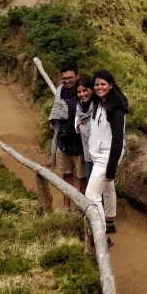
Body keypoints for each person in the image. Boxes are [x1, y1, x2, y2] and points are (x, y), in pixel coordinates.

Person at [85, 69, 127, 238]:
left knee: (92, 194)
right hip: (99, 154)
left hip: (107, 155)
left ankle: (101, 235)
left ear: (111, 85)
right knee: (108, 189)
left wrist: (111, 168)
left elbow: (118, 139)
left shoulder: (116, 109)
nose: (99, 87)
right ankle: (109, 223)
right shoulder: (99, 103)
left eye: (103, 84)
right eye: (96, 84)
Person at [52, 66, 85, 207]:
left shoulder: (83, 92)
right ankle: (67, 207)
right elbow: (56, 112)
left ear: (77, 76)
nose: (67, 81)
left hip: (79, 144)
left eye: (70, 77)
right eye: (64, 78)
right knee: (66, 175)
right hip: (63, 142)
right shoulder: (60, 91)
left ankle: (81, 207)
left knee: (82, 177)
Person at [74, 75, 96, 185]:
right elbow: (77, 121)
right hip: (87, 152)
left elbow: (93, 132)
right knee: (89, 178)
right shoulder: (80, 106)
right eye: (79, 92)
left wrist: (80, 126)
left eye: (85, 90)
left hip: (99, 153)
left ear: (91, 89)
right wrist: (79, 126)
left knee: (97, 185)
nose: (82, 94)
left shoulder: (98, 106)